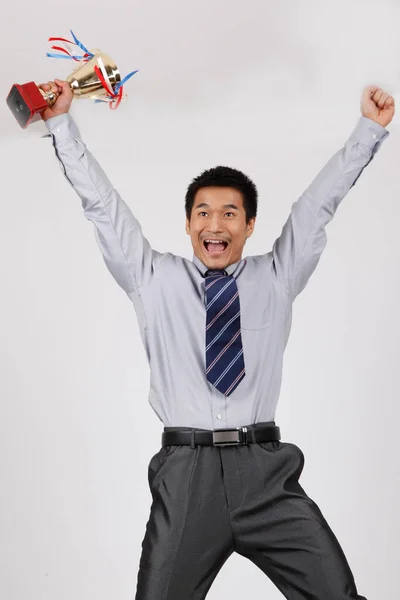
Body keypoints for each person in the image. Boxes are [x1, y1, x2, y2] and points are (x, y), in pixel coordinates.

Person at [39, 78, 394, 599]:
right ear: (187, 224)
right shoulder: (153, 278)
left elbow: (317, 207)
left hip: (264, 472)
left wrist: (368, 130)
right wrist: (59, 124)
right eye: (203, 212)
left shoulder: (276, 276)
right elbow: (103, 207)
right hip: (187, 476)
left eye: (230, 213)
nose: (216, 223)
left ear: (249, 225)